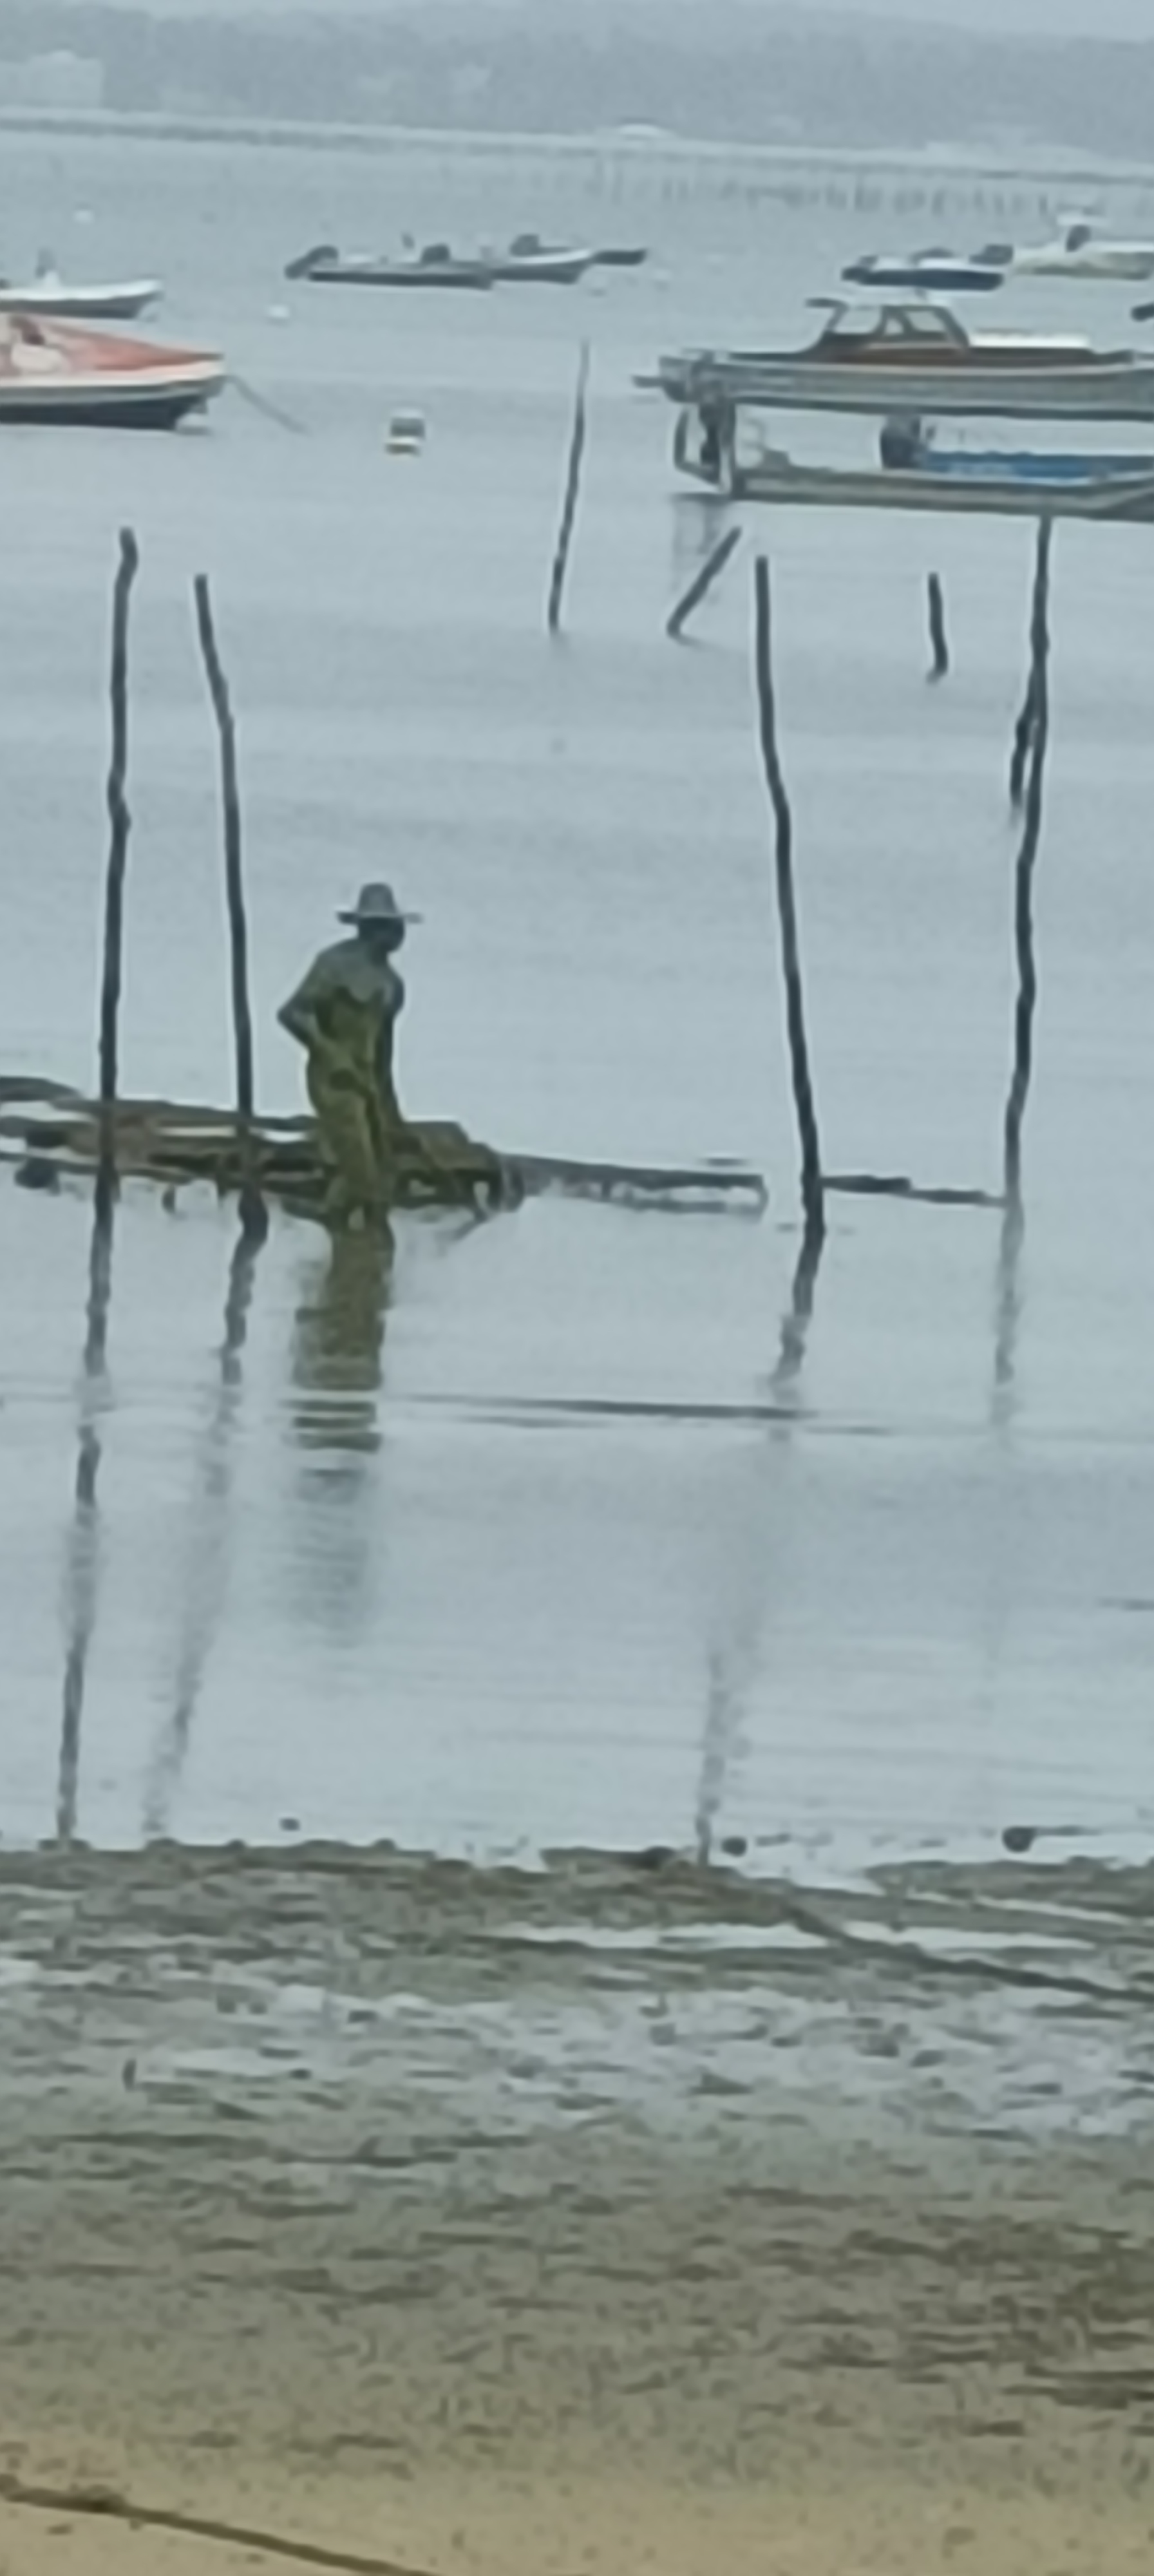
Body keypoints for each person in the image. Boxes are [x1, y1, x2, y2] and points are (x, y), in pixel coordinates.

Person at [278, 881, 417, 1224]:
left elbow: (383, 1053)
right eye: (388, 928)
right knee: (360, 1164)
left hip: (367, 1080)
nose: (397, 936)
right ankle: (345, 1225)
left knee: (385, 1161)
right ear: (369, 929)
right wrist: (331, 1053)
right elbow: (292, 1014)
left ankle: (350, 1215)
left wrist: (392, 1112)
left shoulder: (391, 984)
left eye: (398, 928)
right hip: (334, 1080)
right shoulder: (335, 965)